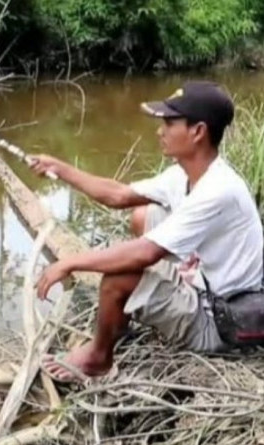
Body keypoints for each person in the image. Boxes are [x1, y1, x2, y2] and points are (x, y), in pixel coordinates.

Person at [25, 81, 263, 382]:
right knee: (142, 216)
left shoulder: (219, 190)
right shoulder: (186, 173)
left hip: (219, 322)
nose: (160, 131)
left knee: (121, 276)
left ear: (198, 132)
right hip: (204, 283)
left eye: (169, 123)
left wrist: (71, 262)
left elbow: (144, 253)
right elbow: (119, 196)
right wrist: (60, 168)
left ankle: (98, 358)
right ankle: (120, 321)